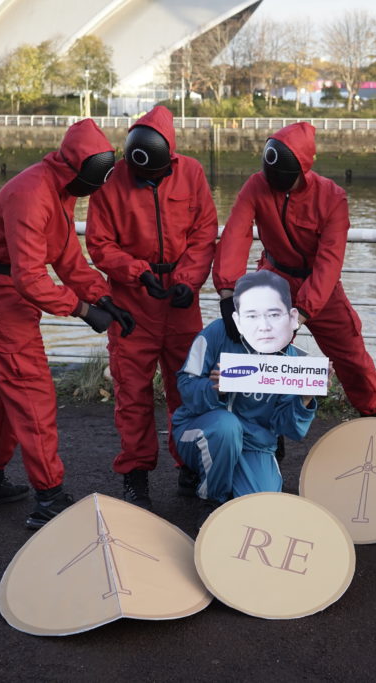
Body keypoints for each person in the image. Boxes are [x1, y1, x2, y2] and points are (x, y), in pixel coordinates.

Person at [0, 118, 135, 531]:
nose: (96, 187)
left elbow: (66, 256)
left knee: (9, 387)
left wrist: (103, 295)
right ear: (78, 169)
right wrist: (84, 310)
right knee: (31, 390)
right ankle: (50, 496)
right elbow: (31, 278)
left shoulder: (58, 188)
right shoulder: (33, 193)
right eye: (95, 178)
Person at [86, 106, 218, 510]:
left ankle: (190, 466)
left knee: (189, 388)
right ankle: (136, 475)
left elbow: (204, 231)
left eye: (158, 175)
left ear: (171, 159)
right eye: (144, 175)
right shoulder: (110, 183)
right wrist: (137, 272)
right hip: (132, 303)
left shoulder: (192, 172)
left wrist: (188, 281)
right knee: (132, 392)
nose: (151, 180)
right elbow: (99, 243)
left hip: (180, 302)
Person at [212, 121, 376, 422]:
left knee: (352, 356)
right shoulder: (256, 184)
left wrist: (301, 313)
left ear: (302, 171)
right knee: (260, 354)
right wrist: (228, 293)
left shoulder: (332, 197)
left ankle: (373, 415)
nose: (276, 184)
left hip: (320, 286)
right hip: (273, 280)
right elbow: (236, 234)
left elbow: (330, 261)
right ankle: (264, 425)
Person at [172, 270, 323, 527]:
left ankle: (227, 476)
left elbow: (287, 426)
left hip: (255, 443)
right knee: (226, 427)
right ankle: (213, 500)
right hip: (200, 428)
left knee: (264, 510)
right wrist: (214, 389)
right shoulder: (214, 334)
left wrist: (305, 398)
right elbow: (184, 386)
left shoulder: (292, 359)